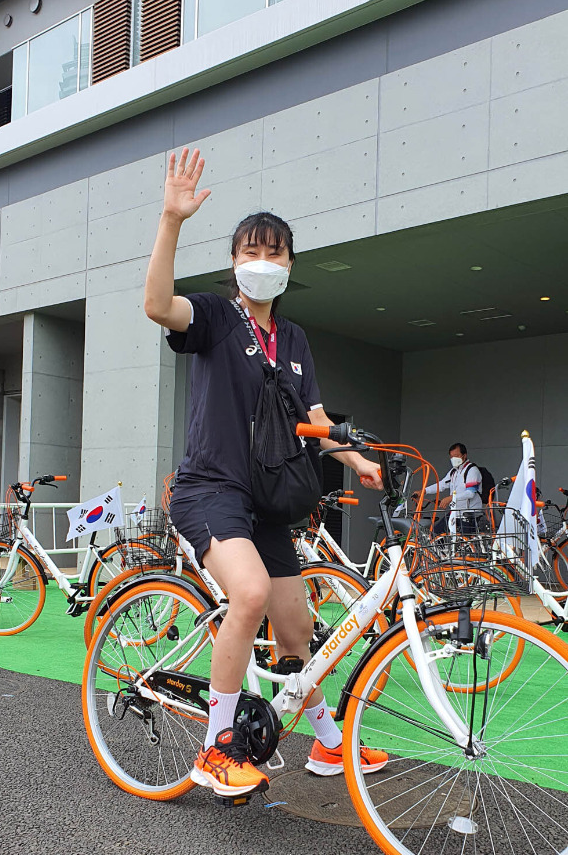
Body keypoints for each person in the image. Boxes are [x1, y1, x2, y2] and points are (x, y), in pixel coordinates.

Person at [144, 148, 389, 797]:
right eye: (252, 250)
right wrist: (171, 219)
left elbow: (311, 418)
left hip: (268, 503)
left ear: (289, 265)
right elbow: (156, 305)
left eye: (275, 252)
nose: (264, 261)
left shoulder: (297, 339)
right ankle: (216, 750)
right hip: (209, 491)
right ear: (235, 262)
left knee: (296, 626)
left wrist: (355, 456)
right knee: (249, 595)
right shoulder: (218, 319)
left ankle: (330, 747)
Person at [417, 442, 483, 534]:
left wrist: (451, 498)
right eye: (451, 457)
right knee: (436, 534)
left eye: (456, 456)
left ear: (464, 456)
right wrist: (424, 491)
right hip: (455, 512)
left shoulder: (472, 470)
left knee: (465, 542)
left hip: (469, 514)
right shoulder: (453, 471)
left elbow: (470, 493)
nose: (453, 459)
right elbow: (442, 485)